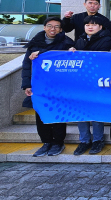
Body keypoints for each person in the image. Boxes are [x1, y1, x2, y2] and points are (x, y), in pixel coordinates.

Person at [22, 17, 75, 158]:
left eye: (57, 26)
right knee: (41, 114)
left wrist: (72, 52)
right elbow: (27, 66)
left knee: (58, 113)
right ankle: (46, 142)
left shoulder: (67, 43)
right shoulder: (34, 44)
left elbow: (72, 63)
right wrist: (26, 85)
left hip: (59, 87)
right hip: (40, 87)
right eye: (50, 26)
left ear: (61, 29)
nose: (53, 29)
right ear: (44, 27)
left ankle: (58, 142)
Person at [69, 15, 111, 156]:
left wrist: (80, 53)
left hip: (97, 81)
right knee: (80, 111)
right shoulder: (80, 39)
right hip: (81, 81)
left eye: (93, 25)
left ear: (100, 27)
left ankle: (98, 140)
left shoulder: (106, 40)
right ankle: (84, 140)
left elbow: (95, 57)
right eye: (87, 24)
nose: (90, 27)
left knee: (95, 111)